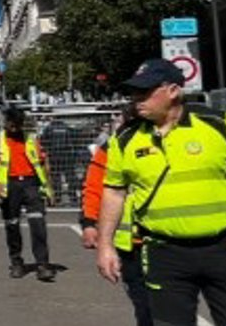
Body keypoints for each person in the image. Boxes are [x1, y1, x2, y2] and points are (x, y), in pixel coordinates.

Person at [97, 58, 226, 326]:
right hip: (163, 253)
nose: (136, 99)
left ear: (173, 91)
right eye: (133, 92)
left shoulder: (220, 125)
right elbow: (114, 192)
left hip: (224, 249)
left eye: (144, 91)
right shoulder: (125, 139)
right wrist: (105, 246)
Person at [80, 113, 151, 326]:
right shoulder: (113, 146)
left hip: (167, 242)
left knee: (171, 306)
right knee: (143, 303)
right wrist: (89, 223)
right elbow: (94, 187)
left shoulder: (170, 141)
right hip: (131, 243)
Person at [0, 106, 54, 281]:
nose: (15, 128)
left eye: (18, 124)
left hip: (31, 184)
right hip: (10, 185)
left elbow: (43, 162)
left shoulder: (31, 138)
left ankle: (42, 264)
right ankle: (16, 262)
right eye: (12, 124)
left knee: (38, 225)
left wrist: (49, 188)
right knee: (12, 225)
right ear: (6, 122)